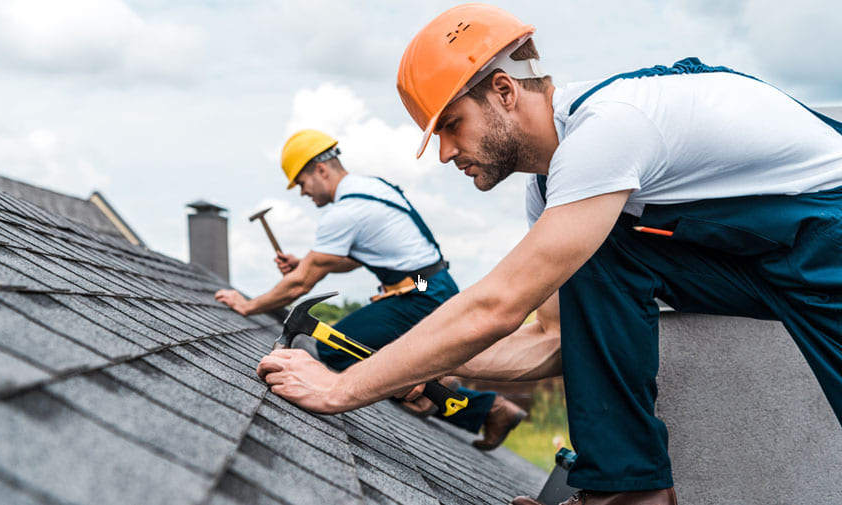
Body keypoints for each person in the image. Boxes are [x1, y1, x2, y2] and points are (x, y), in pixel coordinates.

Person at [255, 4, 842, 505]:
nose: (445, 154)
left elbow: (498, 306)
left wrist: (345, 386)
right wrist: (430, 366)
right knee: (600, 255)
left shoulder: (607, 132)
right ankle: (627, 491)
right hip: (766, 257)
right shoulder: (557, 194)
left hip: (827, 235)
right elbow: (555, 338)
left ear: (504, 91)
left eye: (452, 126)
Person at [215, 128, 527, 450]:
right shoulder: (372, 188)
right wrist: (305, 263)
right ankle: (452, 393)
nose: (303, 193)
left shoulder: (346, 210)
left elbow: (302, 283)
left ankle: (453, 397)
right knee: (379, 348)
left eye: (302, 183)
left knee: (335, 347)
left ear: (320, 170)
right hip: (428, 284)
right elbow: (351, 260)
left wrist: (248, 305)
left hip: (420, 292)